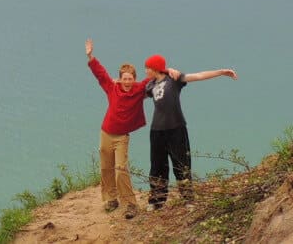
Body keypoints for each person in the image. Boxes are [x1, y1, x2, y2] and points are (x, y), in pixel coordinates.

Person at [144, 54, 238, 210]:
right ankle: (157, 201)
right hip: (156, 131)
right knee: (157, 166)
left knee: (181, 163)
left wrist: (221, 72)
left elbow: (199, 76)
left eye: (147, 68)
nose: (146, 71)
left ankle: (188, 199)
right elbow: (133, 94)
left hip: (176, 128)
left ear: (155, 68)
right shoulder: (150, 85)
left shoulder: (174, 79)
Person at [85, 38, 151, 220]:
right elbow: (101, 74)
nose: (127, 82)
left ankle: (130, 204)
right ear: (120, 79)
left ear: (134, 79)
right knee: (106, 168)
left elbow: (153, 77)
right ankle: (111, 199)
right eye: (124, 79)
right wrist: (91, 57)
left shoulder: (138, 90)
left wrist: (167, 71)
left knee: (121, 169)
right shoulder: (112, 88)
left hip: (122, 137)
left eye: (130, 79)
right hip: (106, 133)